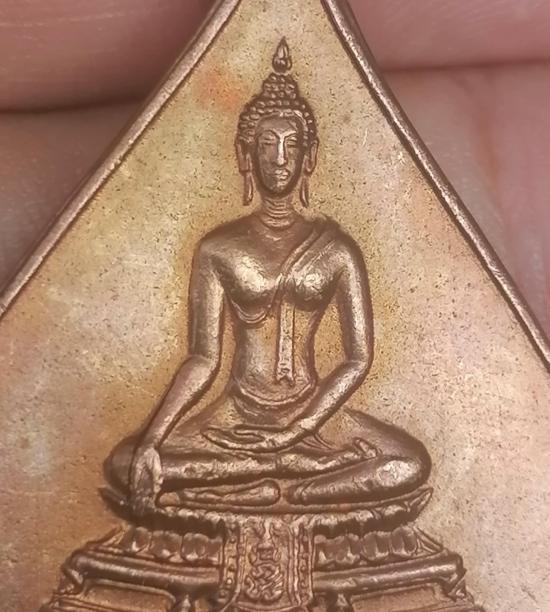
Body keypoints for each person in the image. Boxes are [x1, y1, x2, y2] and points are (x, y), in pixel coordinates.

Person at [105, 40, 431, 515]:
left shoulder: (337, 249)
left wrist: (297, 429)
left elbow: (358, 359)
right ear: (246, 153)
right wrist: (153, 439)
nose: (279, 158)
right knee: (125, 462)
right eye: (266, 144)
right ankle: (289, 473)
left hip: (313, 411)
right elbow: (203, 358)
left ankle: (281, 487)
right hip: (236, 410)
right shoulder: (218, 248)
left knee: (410, 462)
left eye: (291, 145)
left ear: (309, 157)